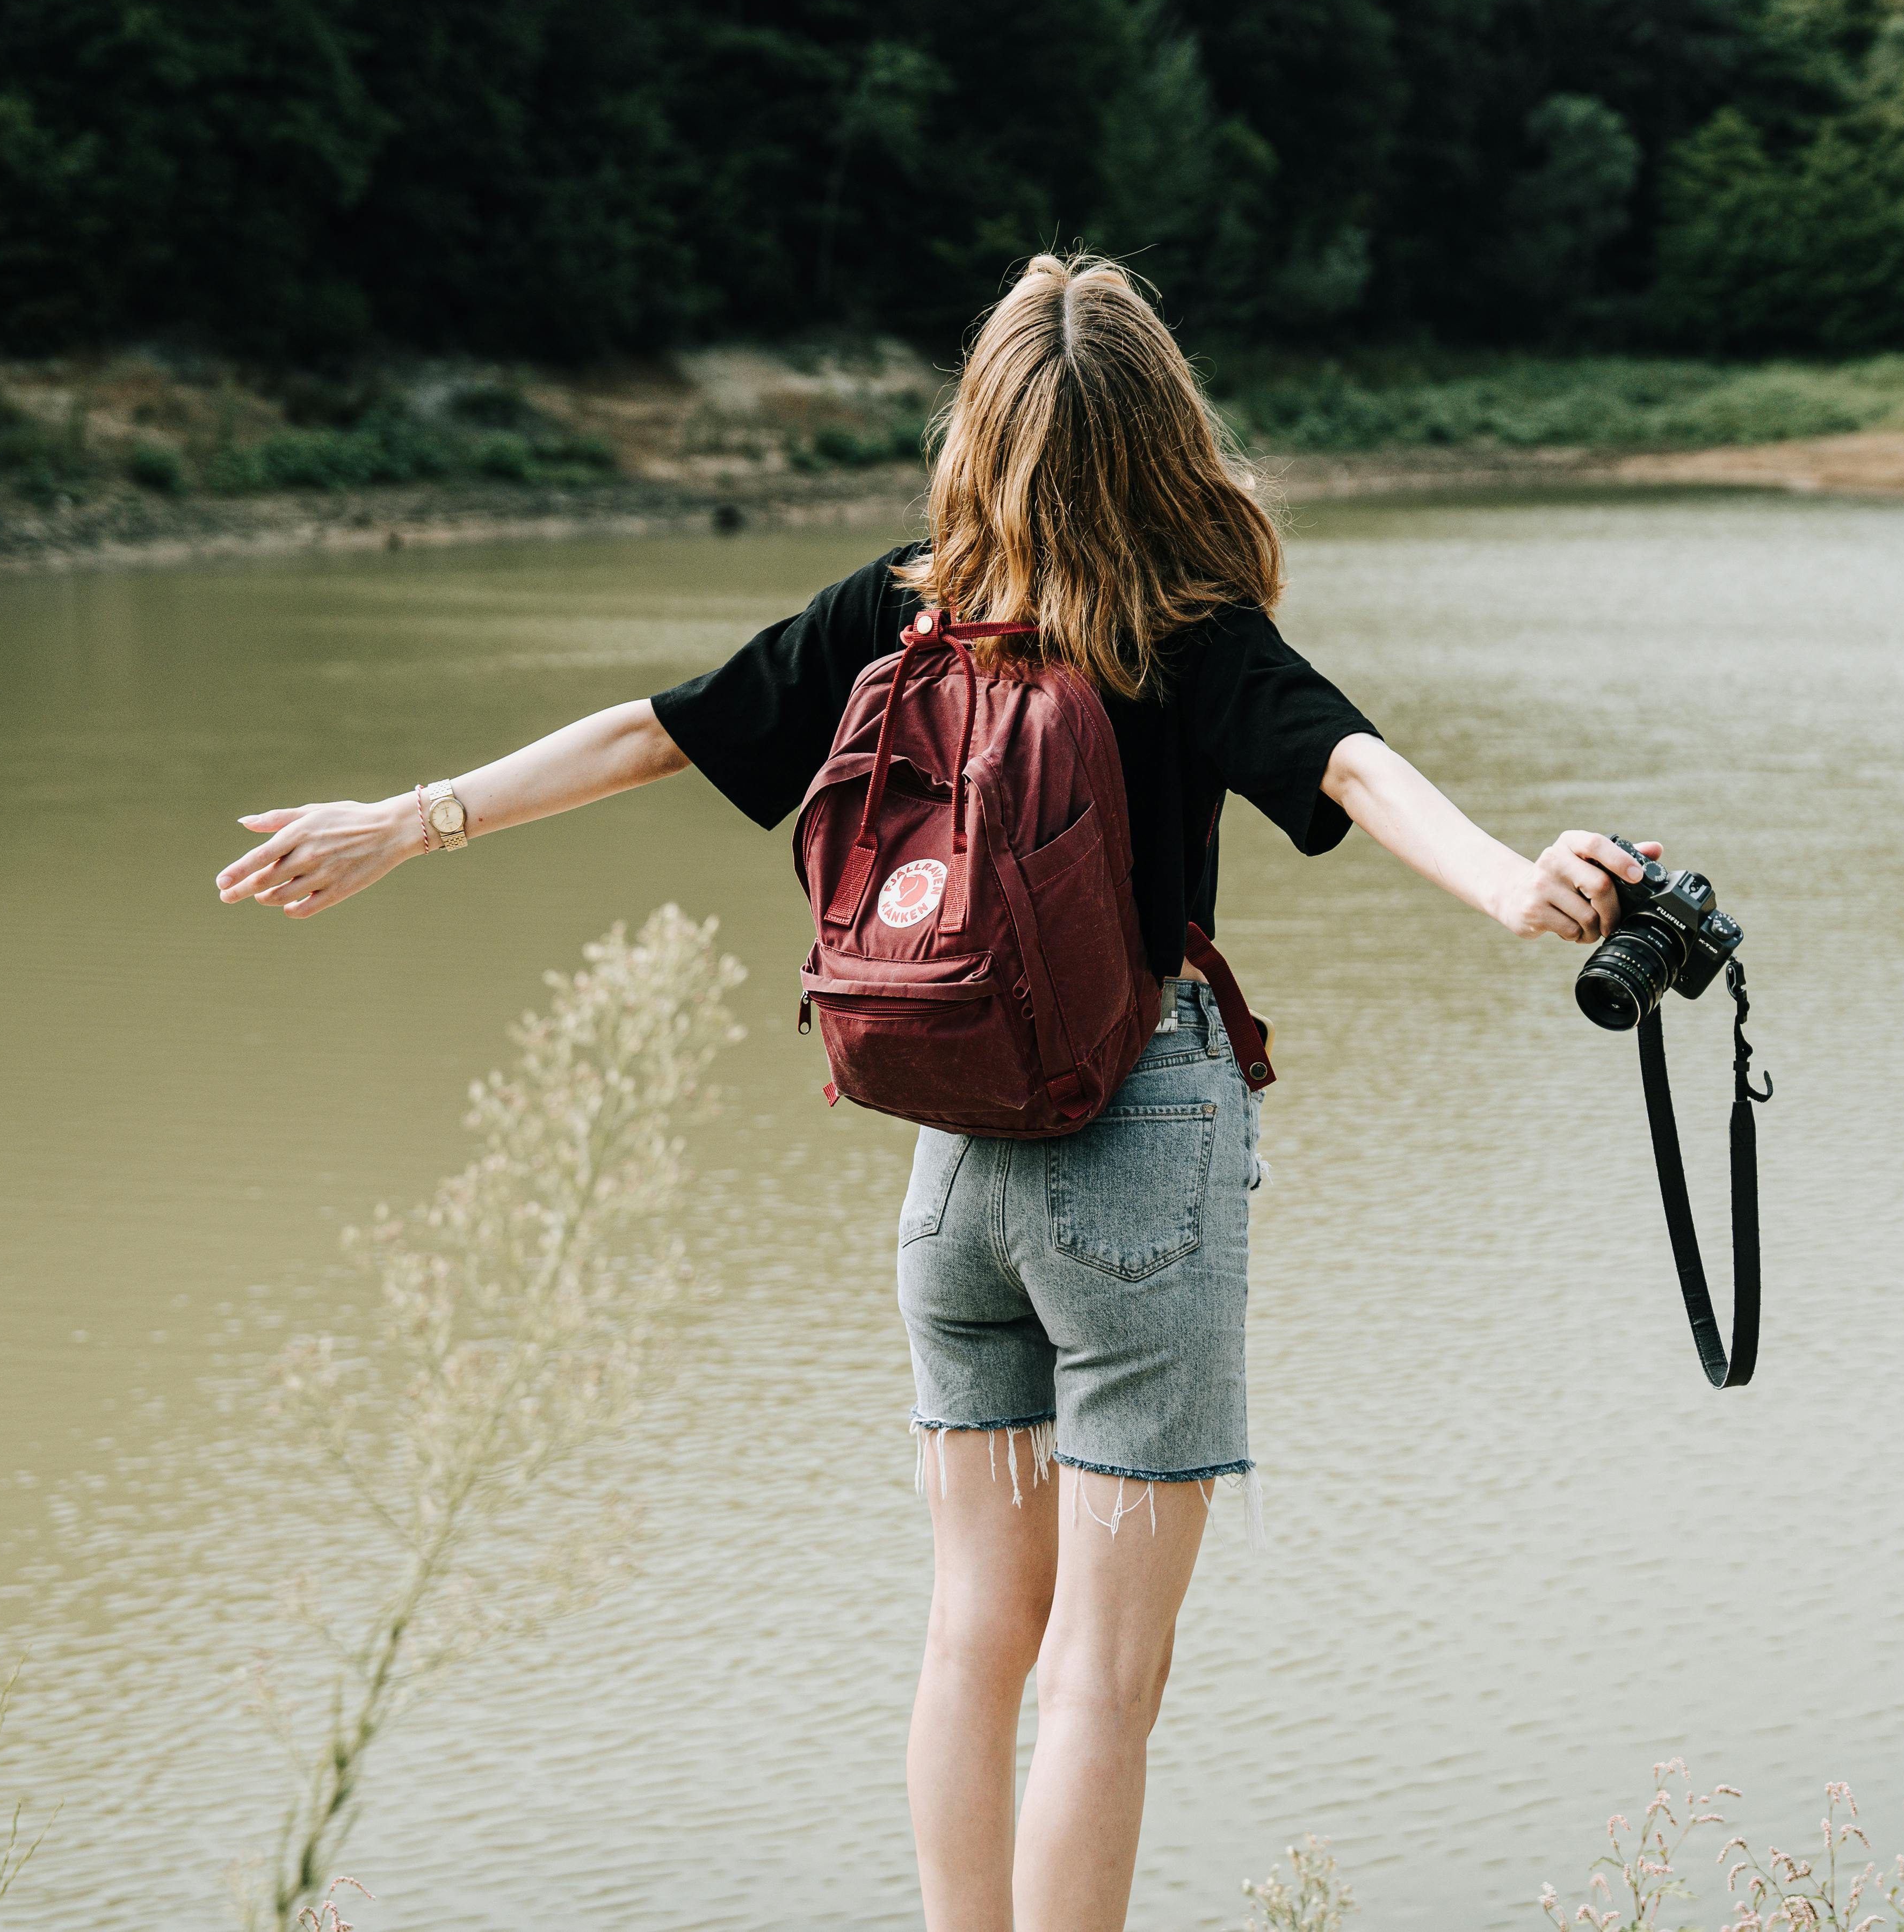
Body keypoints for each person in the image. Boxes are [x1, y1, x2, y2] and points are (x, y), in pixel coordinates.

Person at [214, 253, 1661, 1932]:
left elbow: (654, 734)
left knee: (975, 1639)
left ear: (976, 428)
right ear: (1161, 434)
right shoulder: (1180, 622)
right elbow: (1346, 762)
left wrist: (411, 817)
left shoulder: (904, 608)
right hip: (1135, 1151)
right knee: (1103, 1684)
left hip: (949, 1175)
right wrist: (1508, 887)